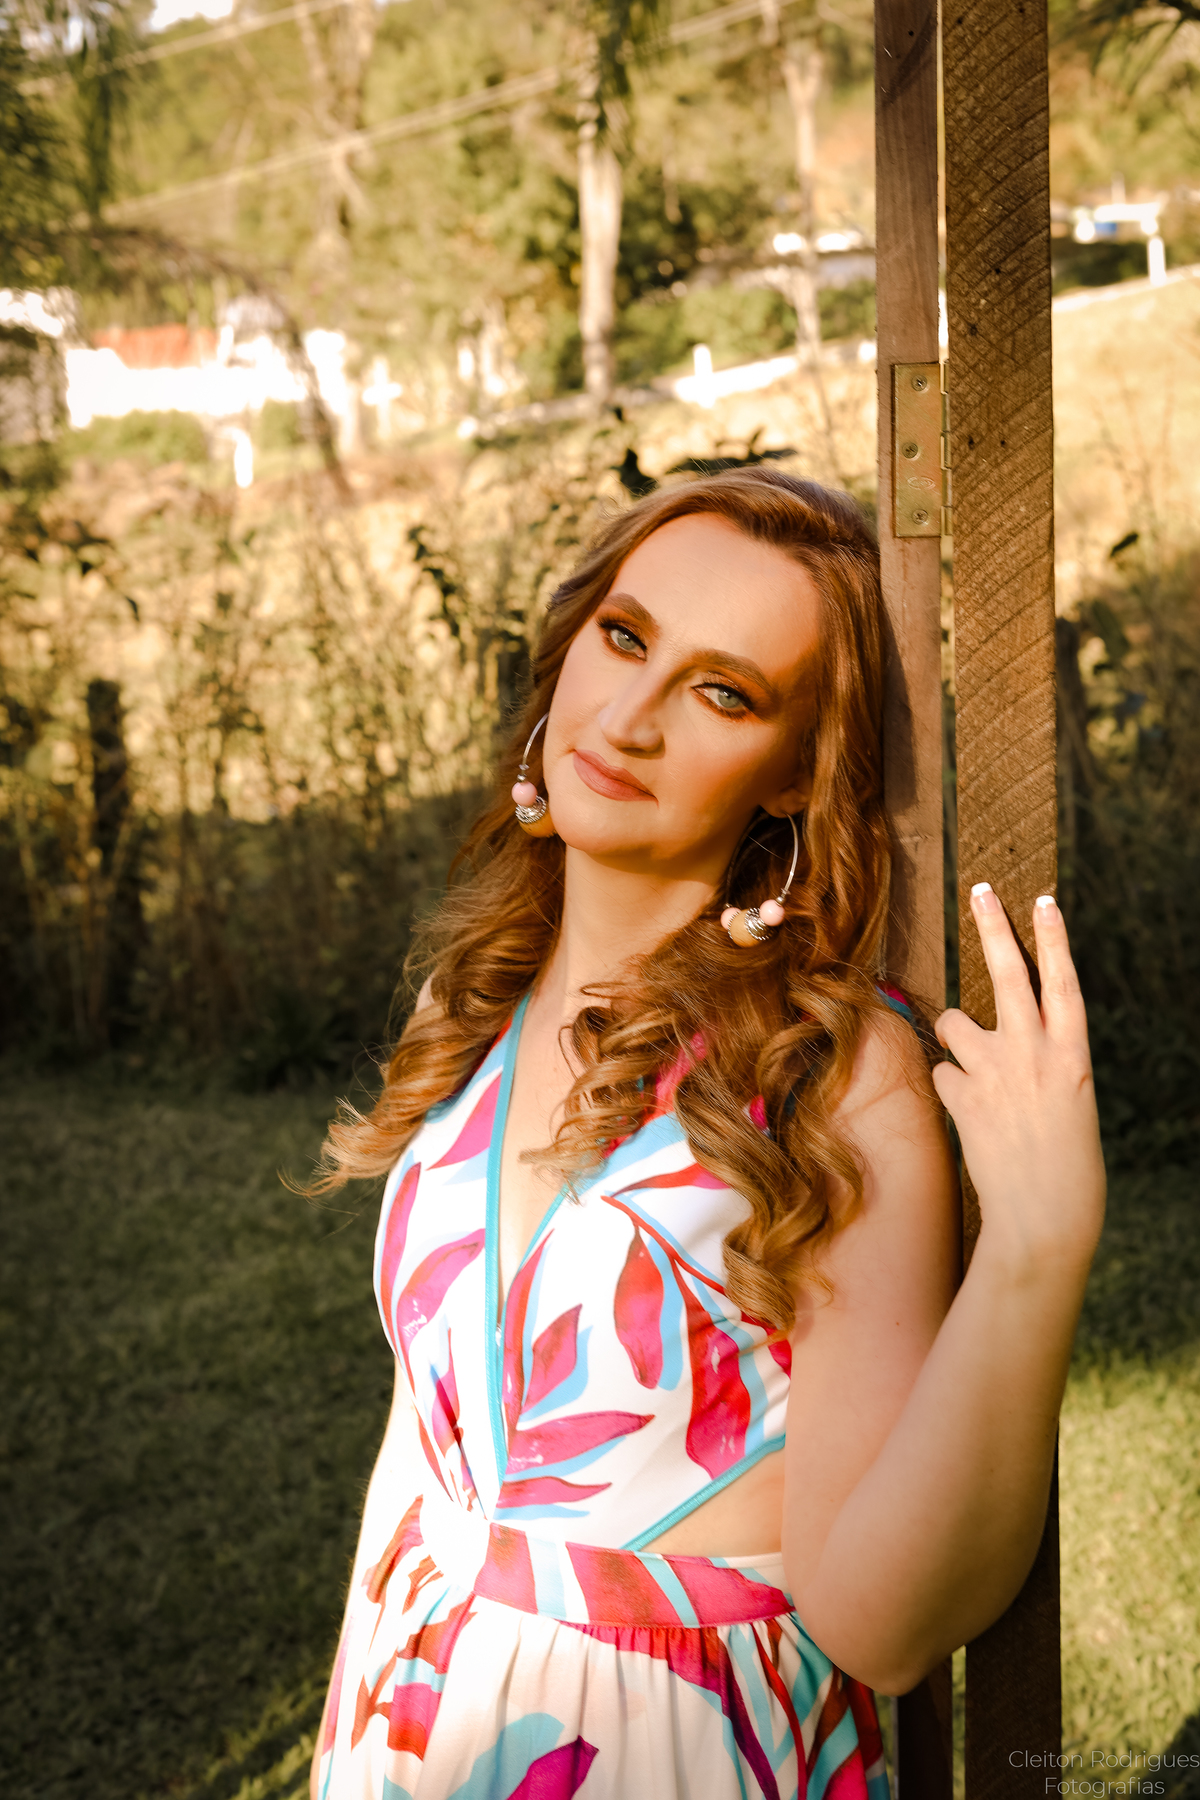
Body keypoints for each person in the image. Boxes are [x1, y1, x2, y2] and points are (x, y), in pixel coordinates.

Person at [307, 468, 1105, 1800]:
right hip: (405, 1725)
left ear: (793, 773)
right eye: (625, 638)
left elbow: (883, 1627)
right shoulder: (473, 1000)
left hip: (671, 1745)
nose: (629, 719)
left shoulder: (828, 1075)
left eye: (723, 692)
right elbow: (419, 1457)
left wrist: (1039, 1247)